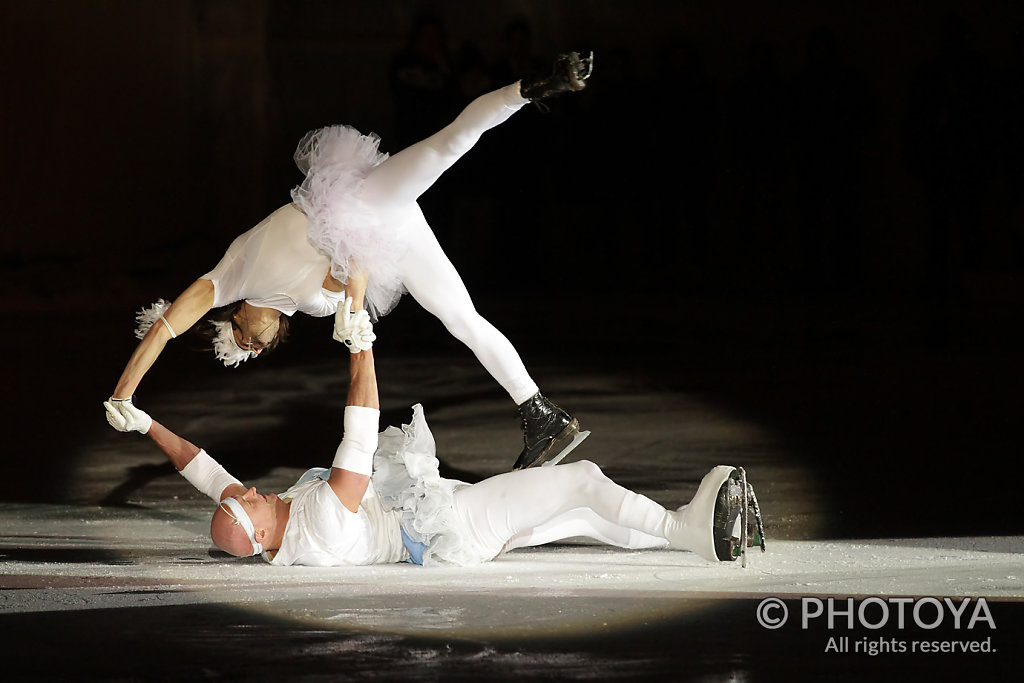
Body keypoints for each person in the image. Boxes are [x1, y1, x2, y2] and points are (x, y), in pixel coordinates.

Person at [106, 52, 595, 470]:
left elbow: (163, 328)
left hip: (365, 200)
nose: (252, 347)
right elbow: (357, 265)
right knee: (462, 319)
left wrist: (123, 393)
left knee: (445, 146)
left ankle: (533, 86)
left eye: (240, 339)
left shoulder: (231, 276)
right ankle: (541, 416)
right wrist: (353, 311)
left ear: (235, 315)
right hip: (396, 237)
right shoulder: (313, 307)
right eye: (253, 353)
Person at [103, 346, 766, 568]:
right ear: (256, 527)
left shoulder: (270, 522)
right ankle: (688, 529)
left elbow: (204, 471)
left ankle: (687, 537)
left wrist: (146, 422)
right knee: (583, 479)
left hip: (442, 524)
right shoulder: (320, 525)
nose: (239, 489)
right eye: (240, 501)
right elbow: (359, 434)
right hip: (447, 525)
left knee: (581, 517)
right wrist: (359, 336)